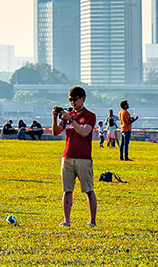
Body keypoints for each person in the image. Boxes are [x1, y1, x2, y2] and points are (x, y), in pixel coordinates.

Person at [53, 86, 98, 228]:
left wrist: (71, 120)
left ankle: (92, 221)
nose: (72, 102)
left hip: (83, 157)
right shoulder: (68, 116)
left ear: (82, 99)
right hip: (67, 156)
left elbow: (84, 132)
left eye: (75, 99)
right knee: (67, 190)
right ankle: (66, 220)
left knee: (88, 190)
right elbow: (56, 132)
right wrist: (55, 117)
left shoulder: (90, 115)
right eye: (70, 100)